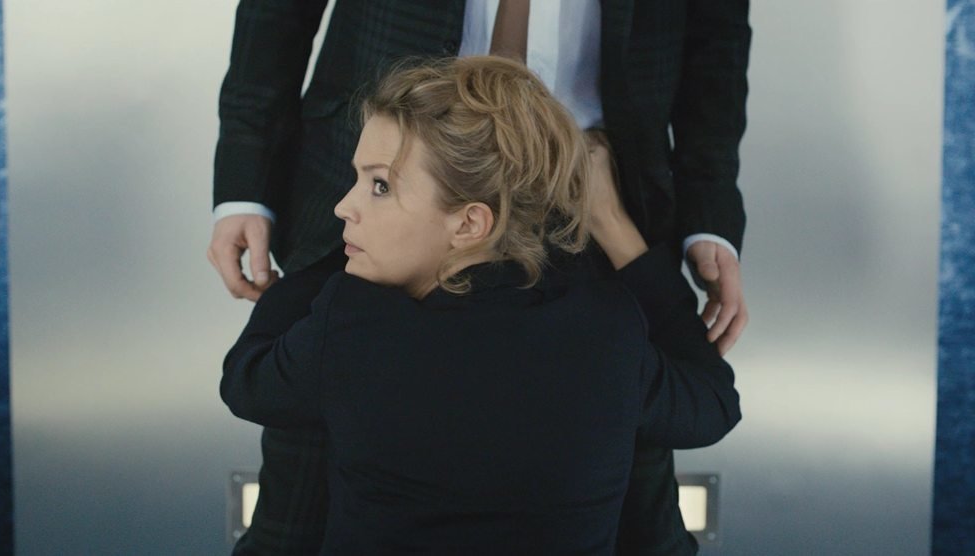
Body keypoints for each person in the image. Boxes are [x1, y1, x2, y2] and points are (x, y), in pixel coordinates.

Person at [209, 2, 751, 553]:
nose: (342, 207)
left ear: (472, 222)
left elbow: (718, 36)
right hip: (575, 214)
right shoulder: (613, 330)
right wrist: (625, 240)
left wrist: (322, 270)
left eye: (373, 186)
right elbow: (709, 402)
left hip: (585, 190)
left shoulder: (344, 321)